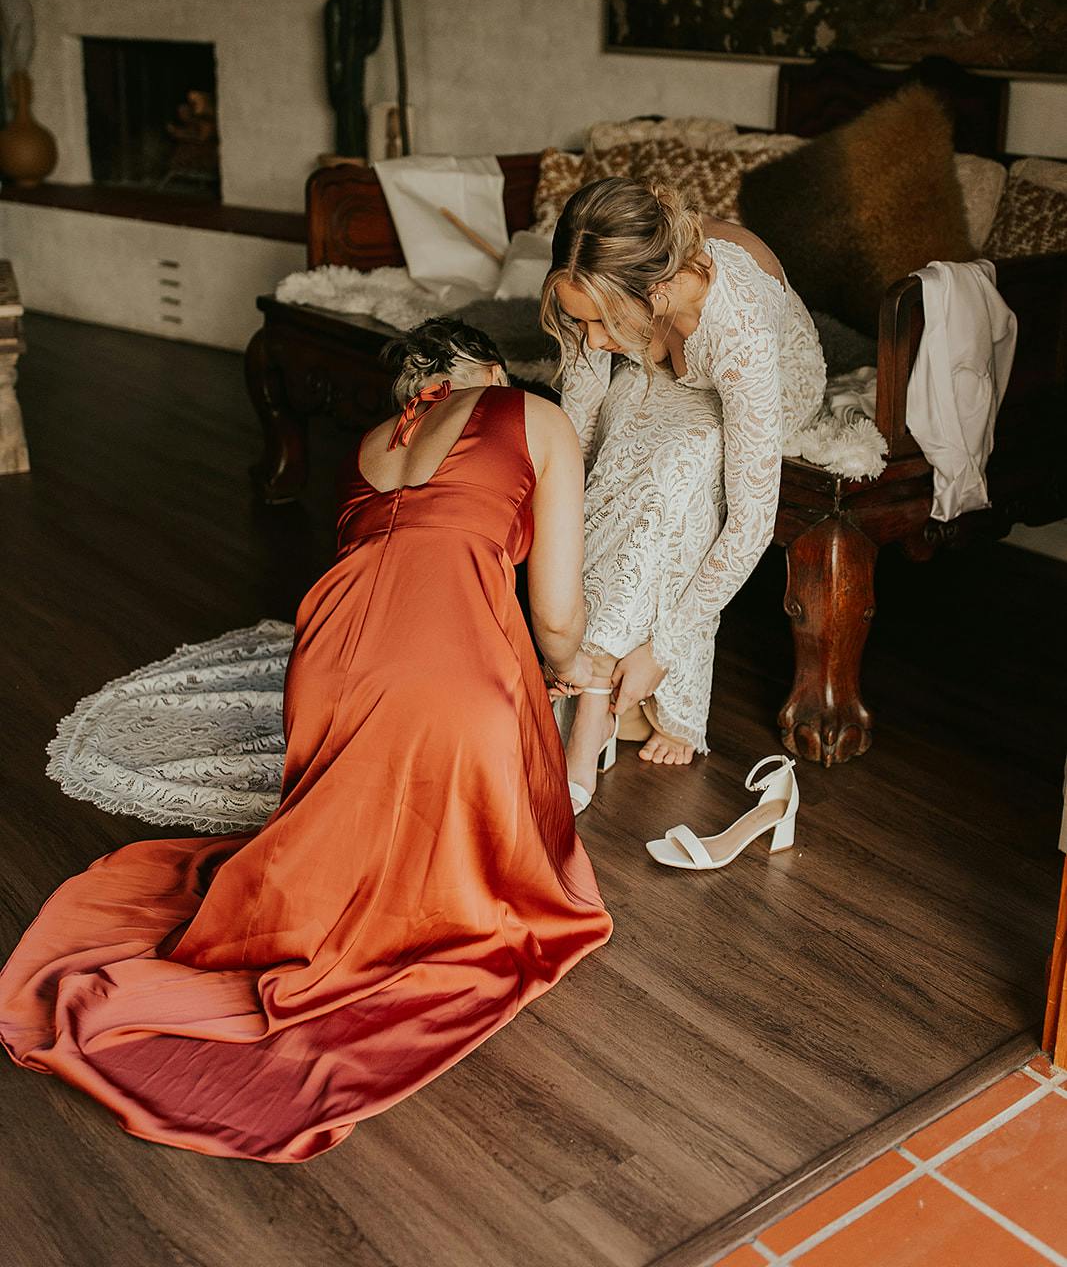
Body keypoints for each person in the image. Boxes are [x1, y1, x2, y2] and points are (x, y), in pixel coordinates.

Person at [0, 318, 612, 1163]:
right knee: (479, 854)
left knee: (364, 813)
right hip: (446, 666)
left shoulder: (369, 444)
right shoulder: (531, 413)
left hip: (326, 661)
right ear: (492, 370)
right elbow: (554, 614)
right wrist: (579, 668)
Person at [540, 177, 826, 806]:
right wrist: (563, 510)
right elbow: (578, 423)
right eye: (581, 320)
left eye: (602, 322)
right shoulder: (606, 270)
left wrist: (664, 650)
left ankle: (599, 707)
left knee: (684, 460)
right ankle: (595, 684)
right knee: (620, 430)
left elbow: (752, 522)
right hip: (676, 371)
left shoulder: (741, 334)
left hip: (776, 384)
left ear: (658, 291)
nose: (592, 340)